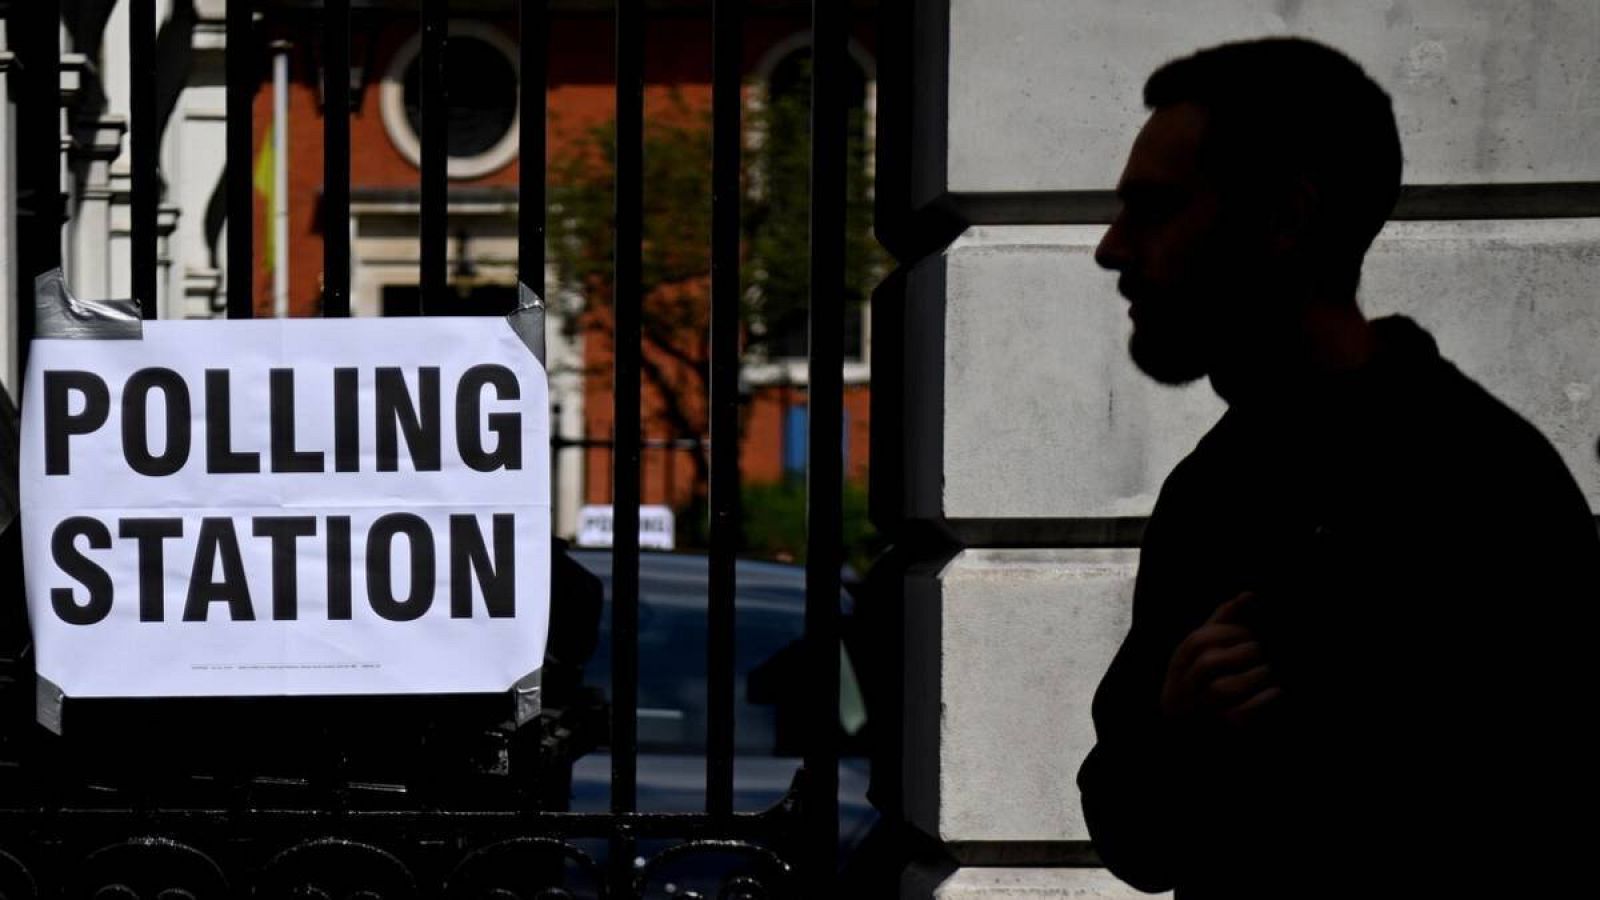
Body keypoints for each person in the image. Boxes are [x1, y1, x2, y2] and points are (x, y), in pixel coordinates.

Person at [1076, 37, 1599, 897]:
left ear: (1284, 219)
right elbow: (1134, 840)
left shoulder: (1486, 486)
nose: (1112, 248)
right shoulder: (1212, 489)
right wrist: (1178, 732)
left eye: (1156, 208)